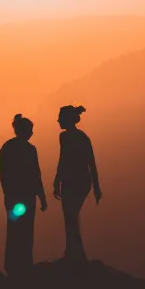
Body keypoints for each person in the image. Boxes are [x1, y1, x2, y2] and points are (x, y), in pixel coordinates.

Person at [0, 114, 47, 277]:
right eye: (31, 129)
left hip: (14, 196)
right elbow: (36, 175)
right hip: (25, 196)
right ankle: (24, 263)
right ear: (24, 130)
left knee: (14, 229)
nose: (32, 133)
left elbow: (3, 174)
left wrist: (7, 194)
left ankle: (12, 264)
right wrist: (42, 197)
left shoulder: (7, 147)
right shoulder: (29, 149)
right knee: (26, 231)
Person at [53, 105, 101, 261]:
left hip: (78, 181)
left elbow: (90, 161)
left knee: (70, 216)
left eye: (60, 118)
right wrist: (57, 181)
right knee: (70, 217)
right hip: (73, 180)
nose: (58, 120)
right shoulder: (69, 137)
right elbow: (64, 159)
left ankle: (75, 254)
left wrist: (96, 187)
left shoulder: (78, 137)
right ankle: (74, 252)